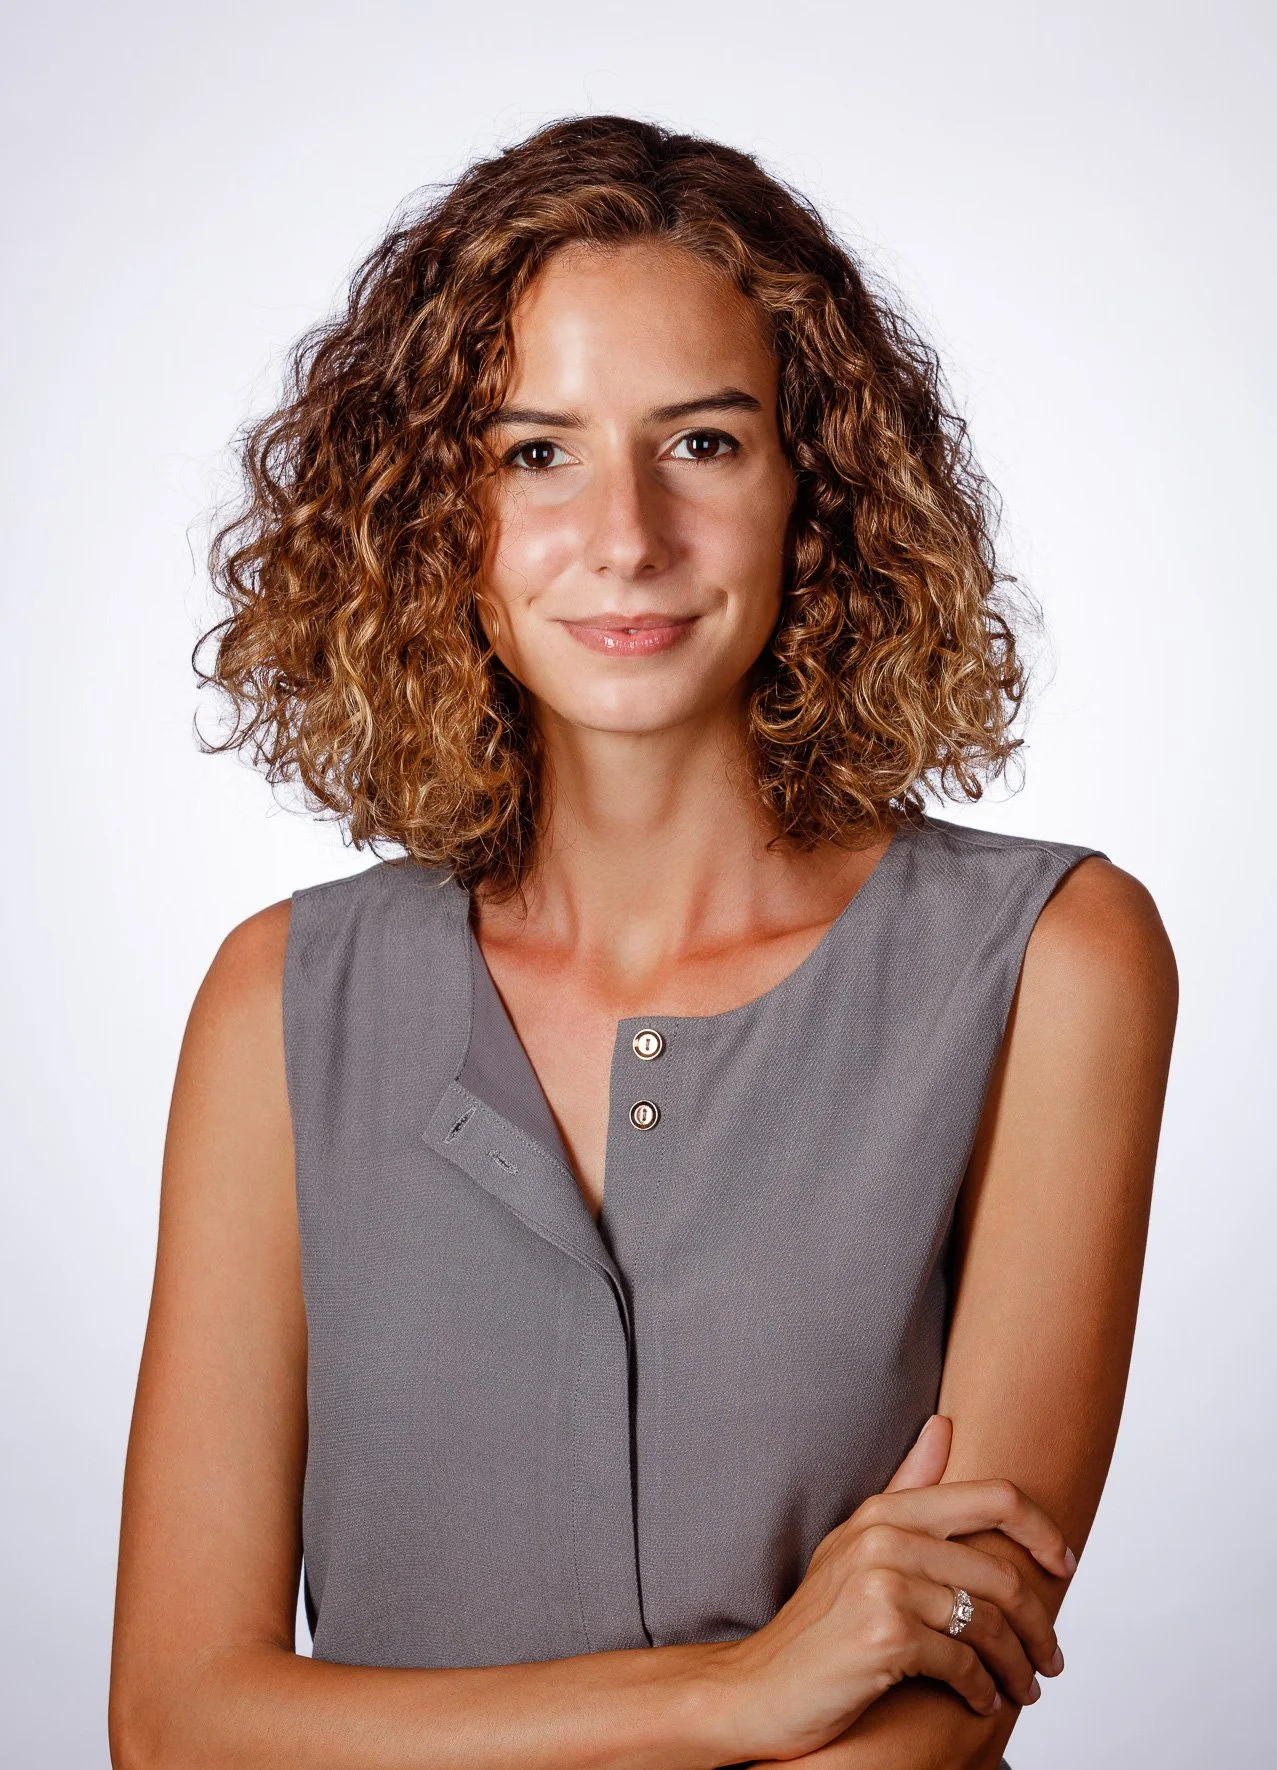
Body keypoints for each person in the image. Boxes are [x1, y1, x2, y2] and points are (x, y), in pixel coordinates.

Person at [108, 115, 1178, 1770]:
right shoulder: (278, 1002)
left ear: (813, 483)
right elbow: (180, 1724)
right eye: (536, 451)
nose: (626, 535)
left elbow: (925, 1715)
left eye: (702, 443)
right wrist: (740, 1689)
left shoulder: (1056, 962)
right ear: (431, 511)